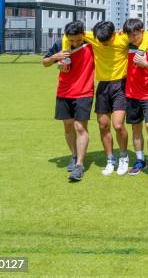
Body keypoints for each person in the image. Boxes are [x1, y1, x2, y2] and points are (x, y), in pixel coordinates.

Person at [62, 22, 148, 176]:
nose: (103, 44)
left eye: (106, 41)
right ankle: (110, 160)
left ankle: (123, 157)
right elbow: (66, 35)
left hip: (121, 85)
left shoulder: (122, 37)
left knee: (118, 125)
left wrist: (142, 50)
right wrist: (65, 52)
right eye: (100, 41)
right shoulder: (92, 36)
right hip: (103, 86)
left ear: (114, 34)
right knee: (103, 125)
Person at [42, 21, 93, 181]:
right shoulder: (59, 43)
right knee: (68, 127)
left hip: (84, 91)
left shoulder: (91, 43)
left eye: (78, 40)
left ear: (83, 34)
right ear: (66, 36)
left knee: (80, 127)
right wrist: (55, 58)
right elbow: (44, 62)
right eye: (72, 40)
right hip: (64, 91)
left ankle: (79, 165)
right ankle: (73, 155)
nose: (75, 43)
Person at [122, 18, 148, 182]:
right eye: (129, 36)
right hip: (131, 94)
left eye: (135, 35)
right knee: (136, 128)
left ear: (142, 31)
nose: (132, 38)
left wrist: (146, 64)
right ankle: (140, 160)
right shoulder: (126, 46)